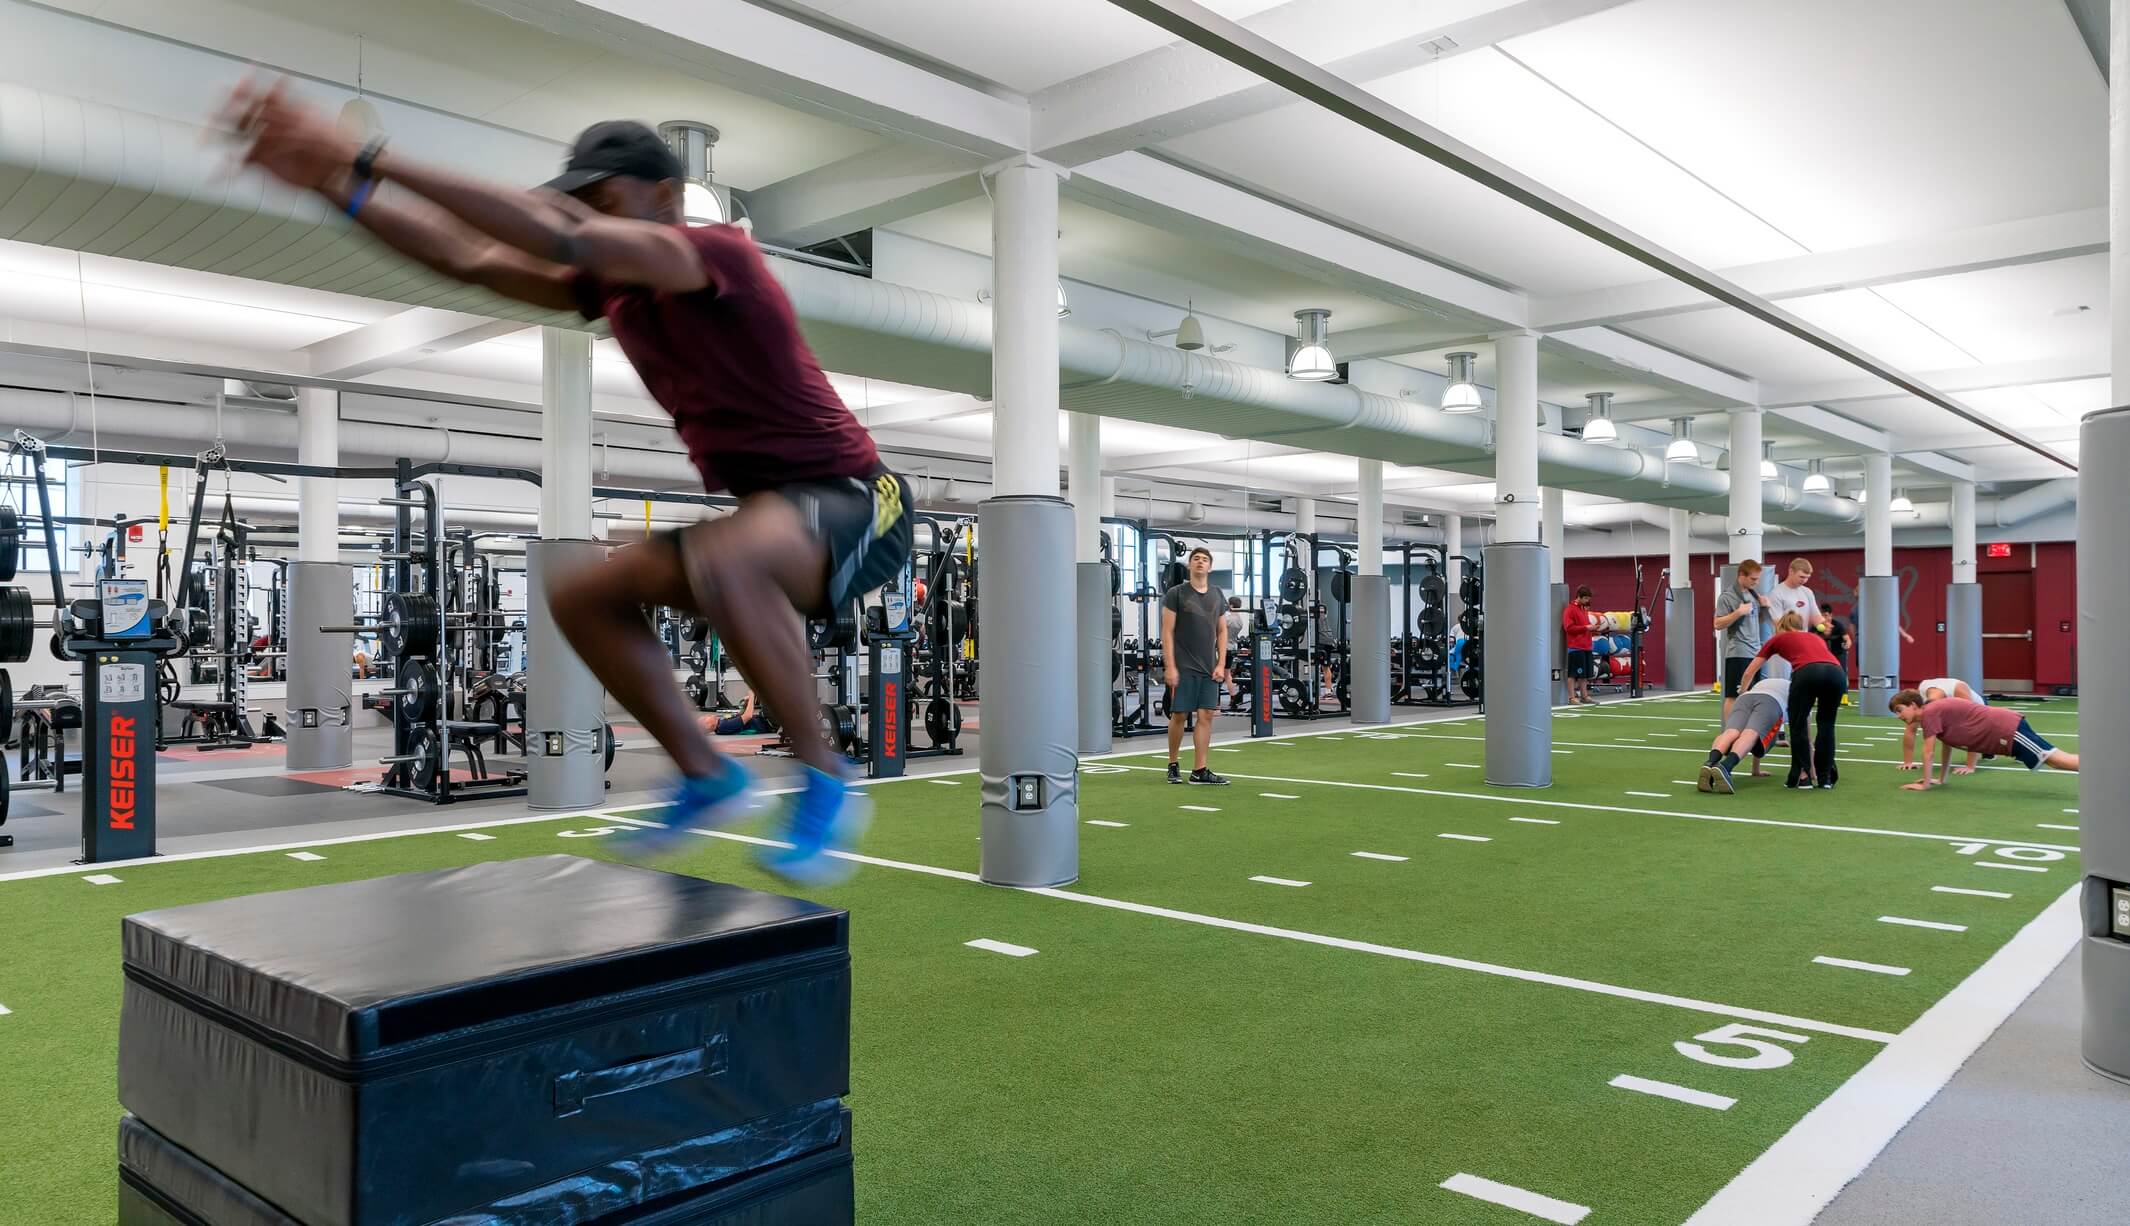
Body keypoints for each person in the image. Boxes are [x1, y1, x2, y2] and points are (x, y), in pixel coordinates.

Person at [216, 83, 911, 882]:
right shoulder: (615, 291)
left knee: (729, 559)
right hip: (775, 513)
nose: (588, 216)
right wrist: (342, 189)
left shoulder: (717, 254)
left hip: (864, 500)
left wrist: (367, 155)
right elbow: (467, 257)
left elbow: (564, 235)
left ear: (664, 197)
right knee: (582, 593)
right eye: (580, 202)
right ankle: (707, 772)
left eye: (604, 201)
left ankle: (827, 780)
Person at [1736, 611, 1847, 788]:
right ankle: (1825, 778)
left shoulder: (1777, 639)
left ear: (1780, 626)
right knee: (1826, 725)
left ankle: (1803, 777)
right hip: (1836, 672)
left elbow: (1750, 670)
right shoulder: (1815, 638)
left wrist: (1742, 692)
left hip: (1807, 672)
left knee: (1798, 724)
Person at [1890, 690, 2078, 788]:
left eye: (1899, 710)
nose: (1899, 716)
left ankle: (2101, 770)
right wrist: (1939, 779)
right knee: (2055, 761)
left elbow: (1928, 752)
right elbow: (1946, 747)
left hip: (2007, 729)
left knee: (2057, 760)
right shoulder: (1933, 714)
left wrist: (1925, 786)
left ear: (1913, 705)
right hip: (2005, 731)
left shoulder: (1930, 712)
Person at [1162, 546, 1230, 785]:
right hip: (1183, 666)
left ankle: (1199, 770)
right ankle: (1172, 764)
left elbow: (1222, 631)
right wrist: (1170, 666)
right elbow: (1167, 632)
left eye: (1205, 560)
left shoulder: (1217, 594)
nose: (1200, 562)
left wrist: (1221, 663)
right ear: (1190, 565)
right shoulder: (1176, 593)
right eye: (1196, 559)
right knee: (1179, 715)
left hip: (1209, 667)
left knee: (1207, 715)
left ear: (1210, 567)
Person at [1698, 676, 1789, 794]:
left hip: (1745, 697)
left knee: (1731, 731)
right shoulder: (1800, 691)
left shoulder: (1773, 682)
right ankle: (1726, 766)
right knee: (1751, 733)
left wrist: (1755, 770)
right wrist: (1811, 772)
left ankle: (1710, 763)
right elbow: (1803, 735)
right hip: (1771, 701)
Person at [1713, 559, 1771, 718]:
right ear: (1741, 576)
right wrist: (1737, 612)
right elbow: (1717, 624)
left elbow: (1754, 622)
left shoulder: (1753, 595)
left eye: (1758, 579)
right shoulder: (1727, 596)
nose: (1756, 582)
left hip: (1755, 653)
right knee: (1733, 696)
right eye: (1753, 579)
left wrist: (1764, 607)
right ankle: (1729, 733)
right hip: (1738, 652)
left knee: (1754, 695)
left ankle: (1746, 732)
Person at [1897, 677, 1986, 775]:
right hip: (1949, 708)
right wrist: (1908, 762)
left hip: (1979, 711)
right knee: (1947, 736)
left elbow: (1971, 728)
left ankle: (1986, 748)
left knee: (1965, 737)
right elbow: (1911, 730)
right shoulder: (1921, 692)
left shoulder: (1958, 690)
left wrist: (1970, 766)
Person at [1763, 558, 1825, 680]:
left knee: (1802, 683)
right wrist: (1794, 639)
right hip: (1782, 648)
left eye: (1807, 577)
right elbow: (1778, 624)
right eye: (1801, 577)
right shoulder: (1776, 593)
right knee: (1781, 684)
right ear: (1791, 571)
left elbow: (1816, 616)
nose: (1804, 580)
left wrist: (1825, 625)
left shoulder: (1807, 592)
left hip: (1802, 647)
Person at [1563, 585, 1598, 705]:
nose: (1587, 601)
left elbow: (1585, 625)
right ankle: (1571, 697)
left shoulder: (1583, 609)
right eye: (1586, 598)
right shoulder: (1570, 609)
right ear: (1579, 597)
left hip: (1586, 646)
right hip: (1575, 647)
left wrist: (1591, 627)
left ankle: (1584, 696)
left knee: (1584, 674)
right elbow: (1569, 628)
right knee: (1573, 673)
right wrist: (1585, 627)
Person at [1223, 596, 1252, 708]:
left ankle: (1215, 702)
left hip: (1223, 647)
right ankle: (1233, 696)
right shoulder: (1239, 620)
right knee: (1227, 674)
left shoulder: (1229, 619)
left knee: (1218, 674)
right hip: (1232, 647)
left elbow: (1217, 629)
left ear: (1231, 605)